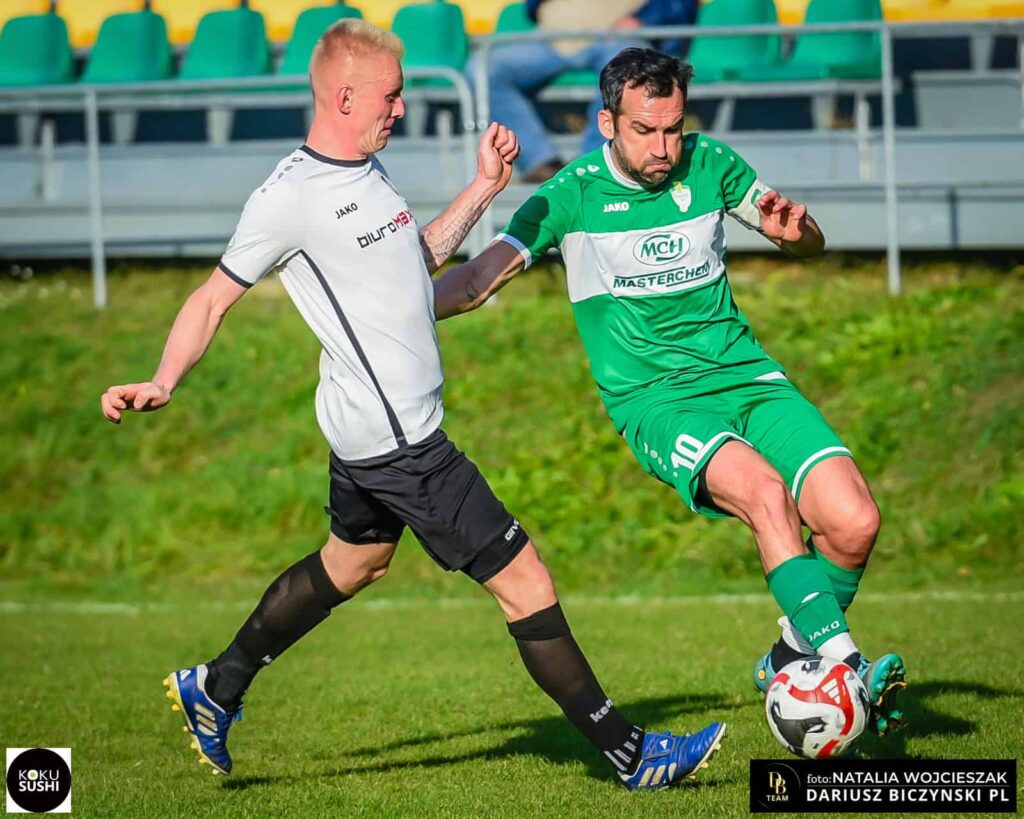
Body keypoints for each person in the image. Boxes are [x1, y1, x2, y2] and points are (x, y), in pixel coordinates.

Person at [100, 22, 726, 790]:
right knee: (525, 581)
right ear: (344, 97)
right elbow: (211, 298)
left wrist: (483, 189)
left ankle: (215, 685)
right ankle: (633, 753)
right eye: (390, 96)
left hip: (365, 431)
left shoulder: (367, 169)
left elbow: (410, 263)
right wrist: (164, 379)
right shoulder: (288, 198)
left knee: (354, 561)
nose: (401, 108)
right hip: (402, 444)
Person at [434, 47, 907, 736]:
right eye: (644, 130)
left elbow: (809, 244)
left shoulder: (710, 165)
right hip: (657, 400)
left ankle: (789, 654)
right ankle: (848, 669)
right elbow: (479, 279)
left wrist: (797, 234)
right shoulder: (570, 194)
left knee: (855, 522)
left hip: (746, 376)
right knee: (765, 494)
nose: (662, 148)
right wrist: (401, 309)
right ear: (606, 123)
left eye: (673, 129)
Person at [466, 0, 697, 183]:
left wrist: (644, 20)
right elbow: (532, 8)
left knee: (626, 72)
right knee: (482, 69)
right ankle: (540, 163)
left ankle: (595, 165)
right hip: (555, 38)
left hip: (618, 36)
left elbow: (679, 5)